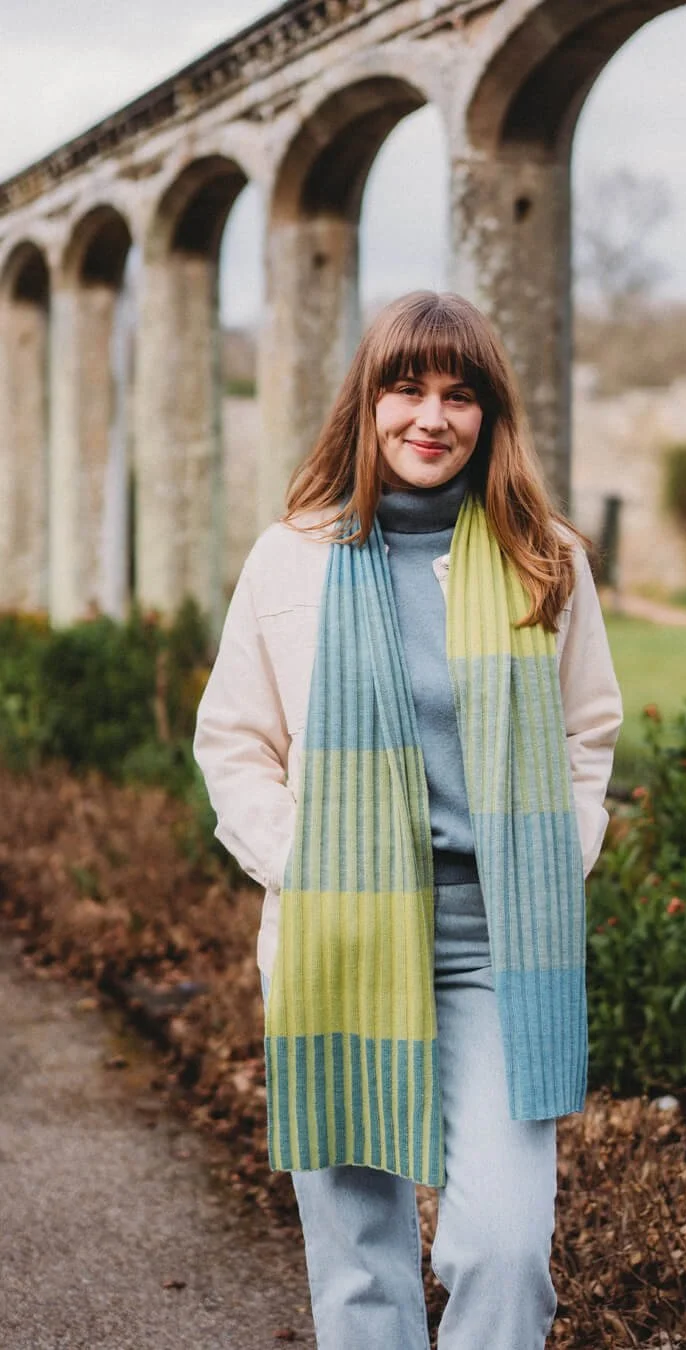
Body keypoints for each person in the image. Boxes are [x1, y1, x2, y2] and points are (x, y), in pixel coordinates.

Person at [194, 290, 623, 1350]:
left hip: (495, 945)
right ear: (367, 403)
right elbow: (233, 741)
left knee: (503, 1251)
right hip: (339, 936)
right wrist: (309, 861)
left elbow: (588, 734)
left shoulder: (545, 558)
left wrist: (552, 858)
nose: (432, 416)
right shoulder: (290, 557)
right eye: (407, 387)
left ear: (489, 415)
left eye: (459, 394)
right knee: (361, 1265)